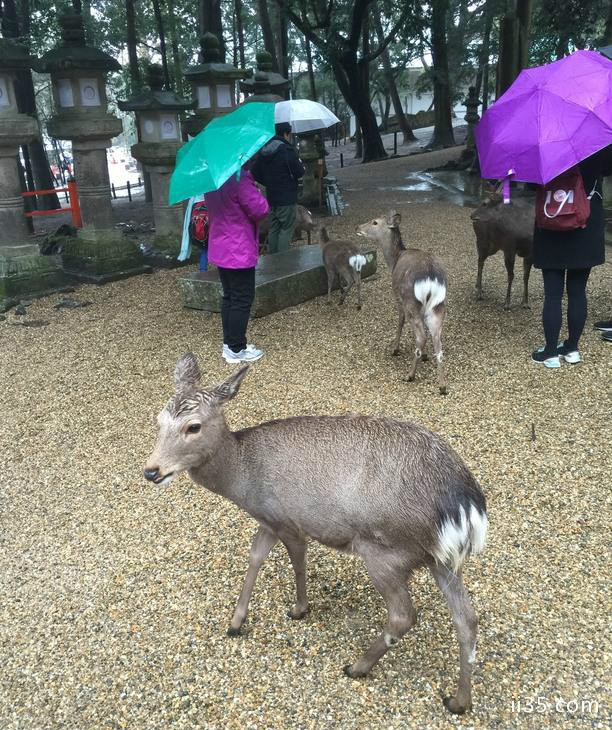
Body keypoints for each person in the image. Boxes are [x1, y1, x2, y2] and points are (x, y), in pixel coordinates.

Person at [531, 146, 612, 368]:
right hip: (586, 222)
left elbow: (530, 184)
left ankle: (549, 353)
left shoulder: (544, 144)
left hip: (552, 220)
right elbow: (606, 170)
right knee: (577, 291)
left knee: (553, 294)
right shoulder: (598, 142)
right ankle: (572, 349)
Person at [206, 165, 269, 363]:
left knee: (230, 297)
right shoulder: (239, 177)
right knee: (242, 298)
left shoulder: (214, 178)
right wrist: (256, 190)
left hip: (221, 246)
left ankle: (230, 344)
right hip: (238, 248)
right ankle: (236, 349)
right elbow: (260, 209)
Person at [252, 122, 305, 254]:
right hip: (287, 197)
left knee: (274, 228)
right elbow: (299, 172)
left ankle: (273, 260)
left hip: (272, 197)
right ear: (286, 133)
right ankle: (283, 262)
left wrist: (269, 182)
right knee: (286, 229)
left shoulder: (263, 151)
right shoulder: (287, 150)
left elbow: (255, 173)